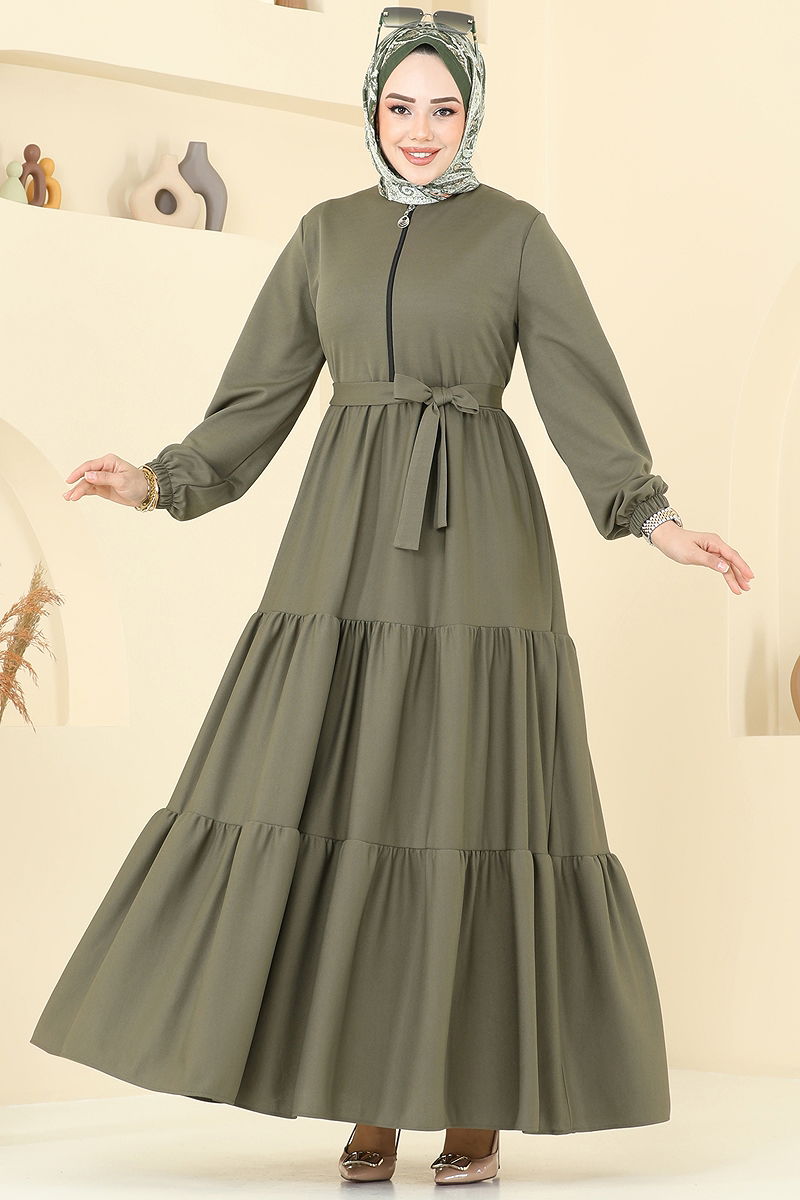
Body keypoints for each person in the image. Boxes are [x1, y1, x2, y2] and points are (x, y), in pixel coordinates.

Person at [32, 9, 755, 1188]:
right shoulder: (325, 234)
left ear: (472, 113)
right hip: (344, 539)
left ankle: (470, 1105)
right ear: (371, 109)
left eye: (443, 107)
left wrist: (654, 519)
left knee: (465, 796)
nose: (420, 129)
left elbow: (577, 390)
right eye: (399, 105)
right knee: (345, 791)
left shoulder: (517, 235)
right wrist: (157, 479)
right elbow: (258, 395)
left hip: (480, 538)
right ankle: (369, 1099)